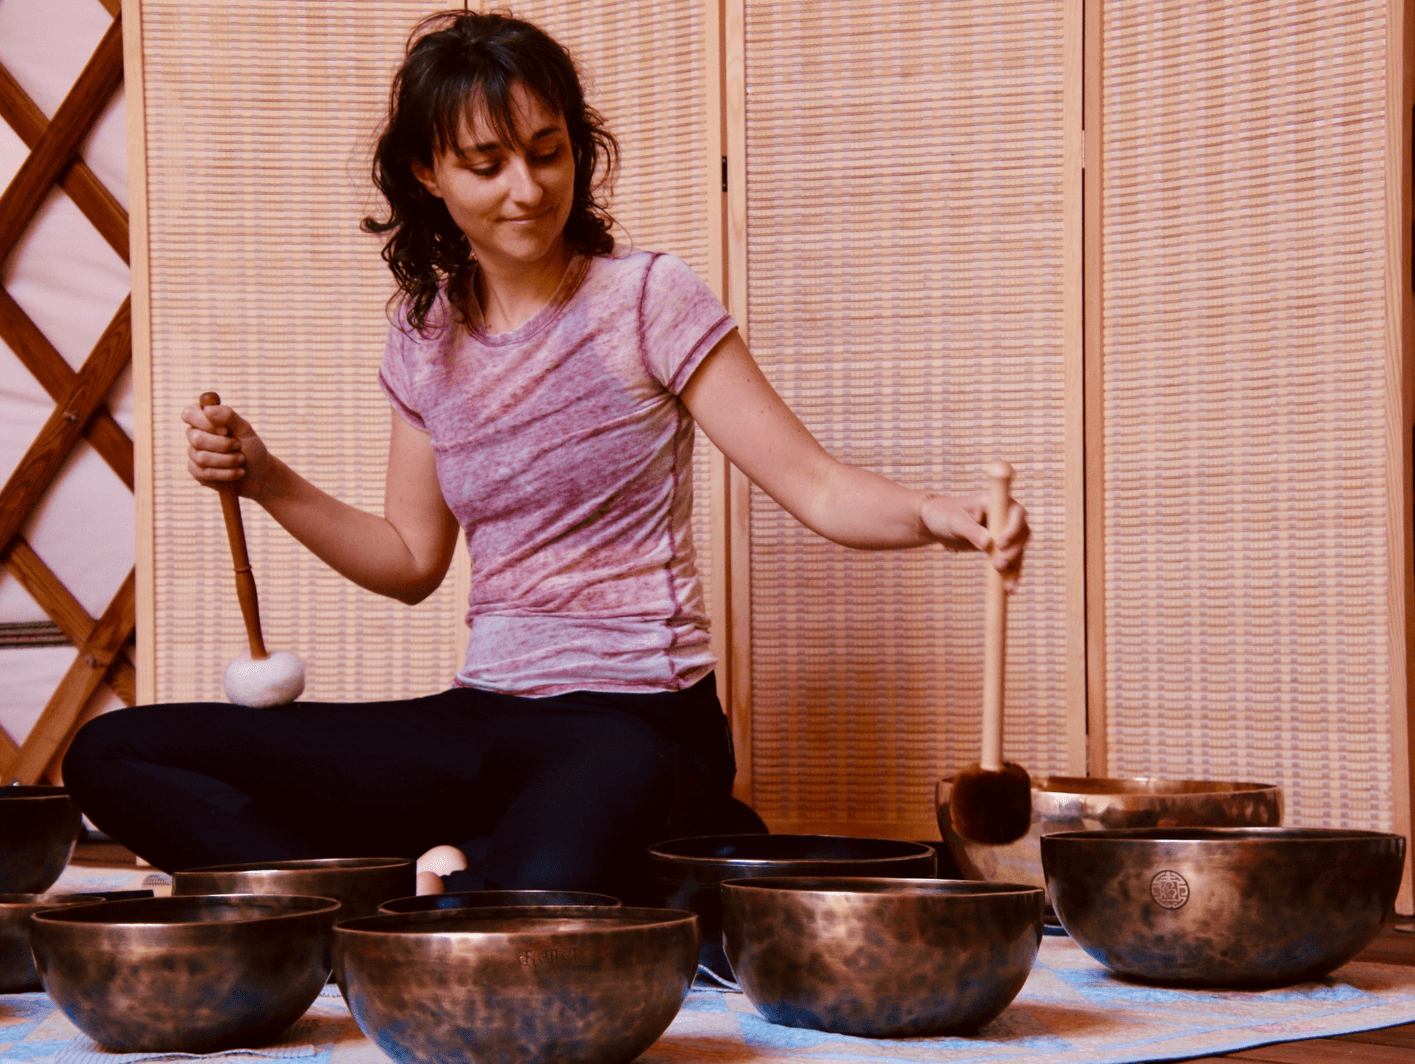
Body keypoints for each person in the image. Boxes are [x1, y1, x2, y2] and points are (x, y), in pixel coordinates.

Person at [63, 10, 1029, 902]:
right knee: (113, 753)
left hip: (637, 723)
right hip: (486, 718)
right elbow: (409, 559)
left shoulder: (646, 299)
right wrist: (269, 480)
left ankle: (462, 885)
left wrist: (936, 516)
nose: (527, 189)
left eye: (547, 151)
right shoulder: (424, 334)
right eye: (486, 165)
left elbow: (815, 485)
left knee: (592, 815)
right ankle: (420, 888)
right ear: (428, 174)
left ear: (578, 148)